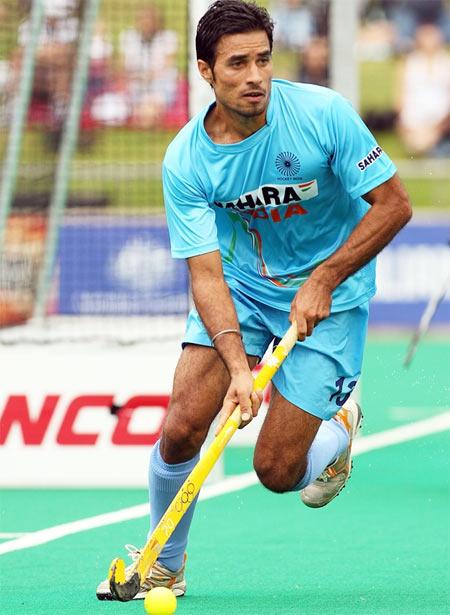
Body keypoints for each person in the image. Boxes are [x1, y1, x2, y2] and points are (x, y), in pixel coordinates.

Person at [96, 0, 411, 600]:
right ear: (205, 72)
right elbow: (207, 275)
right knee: (183, 426)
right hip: (242, 288)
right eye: (237, 63)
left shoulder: (324, 114)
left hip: (334, 296)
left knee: (277, 471)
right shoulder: (186, 159)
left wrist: (325, 277)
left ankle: (339, 428)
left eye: (263, 60)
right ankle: (166, 564)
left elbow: (394, 204)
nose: (255, 76)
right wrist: (239, 368)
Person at [118, 4, 178, 129]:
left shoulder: (167, 37)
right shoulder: (128, 37)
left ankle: (148, 114)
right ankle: (144, 114)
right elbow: (122, 66)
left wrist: (149, 76)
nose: (146, 24)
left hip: (160, 83)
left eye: (149, 20)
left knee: (154, 100)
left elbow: (168, 65)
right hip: (136, 83)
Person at [396, 23, 450, 157]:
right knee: (418, 142)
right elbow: (399, 98)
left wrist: (440, 126)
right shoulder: (408, 63)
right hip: (414, 119)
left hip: (441, 120)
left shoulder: (446, 62)